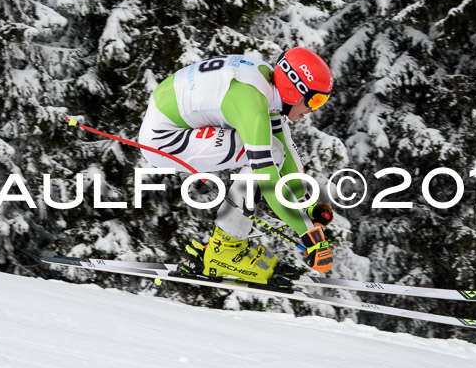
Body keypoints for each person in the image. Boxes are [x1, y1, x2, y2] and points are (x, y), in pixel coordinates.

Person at [138, 48, 334, 285]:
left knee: (274, 146)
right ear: (294, 90)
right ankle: (225, 250)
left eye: (323, 101)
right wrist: (307, 232)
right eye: (315, 99)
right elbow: (268, 178)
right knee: (267, 153)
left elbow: (286, 144)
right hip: (164, 139)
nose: (314, 109)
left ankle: (227, 244)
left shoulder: (268, 84)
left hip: (175, 119)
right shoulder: (251, 101)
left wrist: (305, 203)